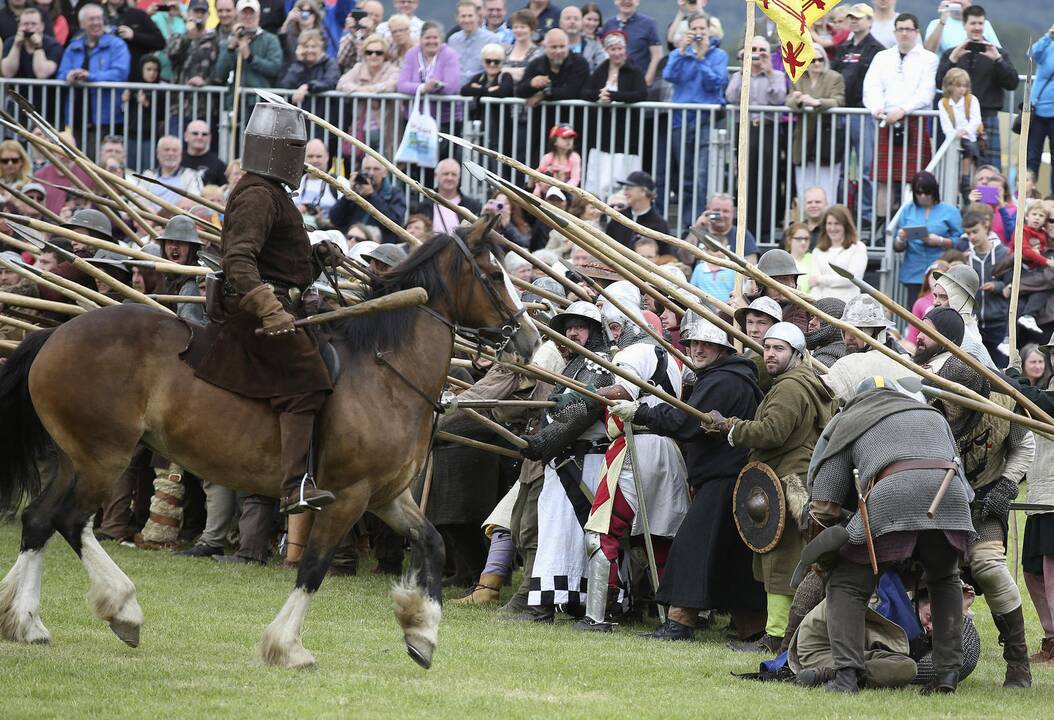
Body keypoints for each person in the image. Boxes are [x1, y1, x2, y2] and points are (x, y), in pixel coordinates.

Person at [187, 102, 335, 515]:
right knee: (307, 381)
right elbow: (238, 260)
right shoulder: (257, 194)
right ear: (277, 151)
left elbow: (278, 261)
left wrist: (317, 258)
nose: (300, 159)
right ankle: (295, 487)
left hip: (273, 304)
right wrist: (269, 307)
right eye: (294, 149)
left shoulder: (269, 191)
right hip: (253, 311)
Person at [806, 378, 976, 693]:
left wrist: (825, 549)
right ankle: (947, 675)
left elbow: (824, 501)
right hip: (949, 496)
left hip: (892, 494)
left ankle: (846, 677)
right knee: (944, 578)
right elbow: (963, 482)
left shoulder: (851, 419)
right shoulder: (931, 415)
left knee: (847, 584)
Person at [611, 313, 765, 642]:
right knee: (730, 558)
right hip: (723, 478)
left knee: (692, 548)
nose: (697, 349)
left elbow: (689, 423)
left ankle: (680, 622)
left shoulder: (724, 381)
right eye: (694, 342)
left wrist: (643, 413)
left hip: (724, 478)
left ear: (722, 346)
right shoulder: (723, 376)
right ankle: (753, 629)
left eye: (707, 343)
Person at [707, 322, 837, 651]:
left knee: (782, 561)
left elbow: (772, 432)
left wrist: (731, 428)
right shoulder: (804, 381)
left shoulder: (791, 386)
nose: (770, 354)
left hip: (788, 480)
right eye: (767, 348)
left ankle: (776, 638)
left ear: (797, 353)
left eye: (779, 348)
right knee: (791, 558)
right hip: (794, 477)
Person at [575, 282, 688, 631]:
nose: (610, 336)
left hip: (634, 448)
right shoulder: (668, 357)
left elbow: (625, 389)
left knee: (601, 532)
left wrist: (584, 395)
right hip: (667, 451)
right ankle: (673, 617)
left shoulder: (631, 354)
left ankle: (597, 615)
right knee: (656, 537)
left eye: (612, 328)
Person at [931, 357, 1035, 688]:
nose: (951, 406)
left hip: (985, 501)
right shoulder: (924, 403)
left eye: (958, 399)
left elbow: (1024, 446)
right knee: (920, 572)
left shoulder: (1004, 402)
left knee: (989, 567)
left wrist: (1006, 485)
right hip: (935, 502)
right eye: (947, 396)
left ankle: (1018, 662)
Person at [516, 301, 615, 622]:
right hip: (565, 462)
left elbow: (580, 413)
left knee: (564, 534)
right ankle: (570, 602)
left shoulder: (598, 366)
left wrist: (543, 443)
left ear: (596, 332)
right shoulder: (574, 365)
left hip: (585, 463)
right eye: (569, 326)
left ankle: (542, 607)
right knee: (558, 532)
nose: (573, 332)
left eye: (581, 326)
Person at [863, 13, 938, 216]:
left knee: (915, 179)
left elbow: (926, 92)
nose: (904, 33)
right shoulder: (882, 57)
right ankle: (881, 226)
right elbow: (871, 86)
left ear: (916, 32)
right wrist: (876, 108)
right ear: (894, 32)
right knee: (883, 179)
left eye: (909, 29)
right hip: (886, 121)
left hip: (914, 120)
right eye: (900, 29)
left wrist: (902, 110)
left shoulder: (929, 59)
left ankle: (911, 223)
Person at [659, 12, 727, 231]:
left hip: (705, 121)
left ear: (709, 31)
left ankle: (700, 222)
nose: (698, 33)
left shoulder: (718, 55)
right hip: (681, 121)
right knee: (685, 177)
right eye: (694, 29)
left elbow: (716, 83)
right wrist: (680, 52)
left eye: (702, 30)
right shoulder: (680, 52)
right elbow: (669, 75)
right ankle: (687, 224)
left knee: (701, 176)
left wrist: (701, 58)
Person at [935, 5, 1018, 167]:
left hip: (987, 118)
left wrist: (998, 61)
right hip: (957, 120)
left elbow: (1012, 83)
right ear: (965, 25)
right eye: (973, 23)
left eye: (980, 23)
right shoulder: (953, 53)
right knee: (955, 171)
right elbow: (939, 83)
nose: (977, 28)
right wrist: (952, 59)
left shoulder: (997, 53)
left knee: (988, 173)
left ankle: (985, 194)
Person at [726, 37, 787, 242]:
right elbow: (731, 97)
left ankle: (765, 230)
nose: (757, 54)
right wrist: (744, 69)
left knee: (768, 180)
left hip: (768, 130)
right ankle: (746, 228)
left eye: (762, 50)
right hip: (745, 130)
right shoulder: (739, 74)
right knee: (744, 179)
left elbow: (778, 98)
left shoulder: (777, 75)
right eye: (753, 49)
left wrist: (768, 71)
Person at [832, 3, 884, 222]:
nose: (854, 21)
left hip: (863, 113)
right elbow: (834, 75)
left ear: (870, 21)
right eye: (851, 17)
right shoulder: (844, 48)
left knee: (865, 167)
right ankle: (842, 211)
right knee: (841, 168)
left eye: (859, 18)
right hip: (842, 111)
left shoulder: (877, 50)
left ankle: (866, 214)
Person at [56, 4, 131, 139]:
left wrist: (90, 76)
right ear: (82, 24)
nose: (96, 23)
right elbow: (61, 73)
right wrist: (69, 76)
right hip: (76, 115)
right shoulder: (73, 46)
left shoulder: (117, 45)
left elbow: (120, 73)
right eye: (91, 19)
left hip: (106, 116)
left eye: (99, 19)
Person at [786, 44, 845, 214]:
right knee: (804, 186)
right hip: (803, 138)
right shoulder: (798, 77)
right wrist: (797, 100)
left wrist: (817, 102)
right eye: (812, 60)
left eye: (820, 59)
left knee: (827, 188)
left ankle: (828, 222)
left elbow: (839, 100)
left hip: (827, 138)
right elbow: (788, 100)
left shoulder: (835, 77)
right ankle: (806, 224)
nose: (816, 63)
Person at [892, 171, 964, 299]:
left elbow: (961, 241)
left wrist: (940, 241)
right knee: (914, 313)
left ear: (934, 191)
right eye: (919, 192)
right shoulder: (907, 210)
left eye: (927, 192)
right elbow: (897, 247)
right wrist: (900, 238)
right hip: (914, 271)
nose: (923, 196)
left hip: (941, 270)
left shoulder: (950, 211)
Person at [960, 202, 1011, 366]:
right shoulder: (966, 258)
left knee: (1001, 372)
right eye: (968, 234)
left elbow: (1013, 287)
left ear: (986, 226)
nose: (972, 237)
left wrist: (996, 287)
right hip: (975, 325)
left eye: (975, 232)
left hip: (1000, 324)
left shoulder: (1004, 254)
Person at [215, 0, 283, 117]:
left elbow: (275, 68)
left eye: (251, 13)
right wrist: (231, 48)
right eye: (244, 14)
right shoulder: (230, 42)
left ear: (258, 16)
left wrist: (250, 58)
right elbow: (219, 74)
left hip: (261, 104)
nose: (248, 17)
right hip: (235, 103)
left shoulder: (270, 40)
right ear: (237, 16)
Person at [337, 33, 399, 159]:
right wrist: (361, 90)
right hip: (360, 128)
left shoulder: (392, 69)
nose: (373, 56)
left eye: (378, 52)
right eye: (369, 52)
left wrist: (371, 89)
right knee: (357, 167)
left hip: (384, 130)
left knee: (382, 165)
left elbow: (392, 84)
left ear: (385, 54)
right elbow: (342, 83)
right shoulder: (359, 68)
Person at [328, 154, 406, 242]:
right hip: (352, 241)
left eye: (376, 169)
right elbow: (335, 219)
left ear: (385, 173)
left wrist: (371, 195)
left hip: (379, 246)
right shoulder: (356, 192)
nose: (371, 173)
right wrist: (348, 195)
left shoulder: (394, 193)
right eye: (367, 169)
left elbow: (396, 224)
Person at [395, 22, 461, 127]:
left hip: (445, 119)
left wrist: (435, 87)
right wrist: (423, 88)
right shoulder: (412, 53)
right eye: (427, 38)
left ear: (441, 39)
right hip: (415, 119)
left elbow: (451, 87)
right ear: (421, 39)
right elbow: (401, 85)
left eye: (435, 37)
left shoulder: (449, 54)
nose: (431, 41)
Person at [516, 28, 589, 107]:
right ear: (545, 47)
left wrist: (544, 94)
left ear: (568, 46)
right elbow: (518, 92)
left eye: (562, 47)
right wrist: (531, 84)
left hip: (572, 116)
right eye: (553, 47)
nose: (558, 51)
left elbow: (572, 92)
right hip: (542, 117)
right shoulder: (536, 63)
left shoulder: (579, 62)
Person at [809, 204, 867, 302]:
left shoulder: (858, 247)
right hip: (821, 306)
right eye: (829, 223)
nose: (832, 228)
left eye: (837, 223)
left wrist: (821, 279)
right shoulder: (817, 251)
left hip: (847, 306)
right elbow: (814, 282)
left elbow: (852, 279)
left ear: (846, 225)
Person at [408, 158, 481, 235]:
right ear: (436, 176)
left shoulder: (473, 206)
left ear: (459, 177)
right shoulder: (424, 206)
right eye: (446, 174)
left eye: (454, 174)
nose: (450, 178)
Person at [937, 68, 984, 186]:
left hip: (972, 138)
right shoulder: (943, 103)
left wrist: (965, 131)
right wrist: (954, 134)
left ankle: (966, 180)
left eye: (964, 86)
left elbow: (976, 120)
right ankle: (961, 181)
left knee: (969, 148)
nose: (962, 89)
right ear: (949, 86)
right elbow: (946, 126)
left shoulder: (971, 100)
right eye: (958, 86)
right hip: (953, 140)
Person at [100, 0, 166, 82]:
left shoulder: (137, 14)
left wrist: (134, 36)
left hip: (134, 80)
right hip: (102, 78)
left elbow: (160, 42)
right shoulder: (96, 15)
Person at [605, 171, 670, 252]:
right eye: (624, 188)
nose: (625, 192)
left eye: (629, 188)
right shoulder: (618, 218)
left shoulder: (659, 224)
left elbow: (665, 256)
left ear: (643, 191)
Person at [599, 0, 660, 86]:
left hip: (638, 84)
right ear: (616, 1)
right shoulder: (608, 25)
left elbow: (656, 56)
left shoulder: (649, 24)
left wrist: (646, 82)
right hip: (612, 85)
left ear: (637, 1)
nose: (627, 1)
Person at [137, 135, 204, 209]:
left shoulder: (191, 175)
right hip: (149, 218)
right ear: (157, 153)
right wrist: (146, 209)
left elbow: (196, 199)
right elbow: (136, 198)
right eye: (166, 150)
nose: (170, 153)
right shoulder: (148, 175)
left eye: (174, 150)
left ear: (180, 154)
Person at [168, 0, 225, 86]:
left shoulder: (215, 39)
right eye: (196, 11)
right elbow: (172, 55)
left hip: (205, 94)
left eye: (203, 12)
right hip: (180, 93)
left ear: (208, 15)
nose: (199, 15)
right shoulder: (177, 37)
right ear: (188, 13)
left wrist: (206, 82)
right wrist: (188, 37)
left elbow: (220, 69)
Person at [279, 28, 340, 105]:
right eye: (306, 46)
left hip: (324, 112)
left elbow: (330, 82)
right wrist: (299, 63)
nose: (309, 50)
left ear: (321, 47)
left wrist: (308, 86)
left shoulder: (330, 63)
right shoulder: (298, 65)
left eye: (313, 46)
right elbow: (286, 85)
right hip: (301, 113)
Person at [1027, 27, 1054, 197]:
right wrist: (1048, 36)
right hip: (1038, 112)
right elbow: (1031, 54)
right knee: (1032, 157)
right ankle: (1028, 194)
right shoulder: (1048, 46)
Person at [0, 8, 61, 80]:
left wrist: (38, 47)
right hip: (16, 90)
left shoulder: (53, 45)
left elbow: (41, 74)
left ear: (42, 26)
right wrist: (16, 46)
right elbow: (8, 73)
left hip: (44, 91)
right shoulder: (10, 42)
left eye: (33, 24)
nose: (29, 27)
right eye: (25, 24)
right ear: (19, 26)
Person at [923, 0, 1001, 56]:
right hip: (947, 75)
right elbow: (928, 54)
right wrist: (942, 21)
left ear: (969, 2)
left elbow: (998, 53)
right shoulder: (936, 24)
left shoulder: (983, 24)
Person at [906, 260, 950, 349]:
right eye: (933, 277)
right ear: (927, 279)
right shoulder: (920, 302)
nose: (937, 281)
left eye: (941, 277)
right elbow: (913, 334)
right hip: (924, 348)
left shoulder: (953, 301)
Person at [533, 124, 580, 196]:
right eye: (564, 138)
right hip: (546, 193)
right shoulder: (547, 158)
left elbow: (575, 179)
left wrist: (561, 190)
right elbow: (538, 177)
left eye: (571, 138)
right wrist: (537, 190)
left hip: (566, 194)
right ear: (554, 141)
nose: (569, 141)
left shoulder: (575, 157)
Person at [277, 0, 324, 69]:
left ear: (315, 15)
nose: (305, 15)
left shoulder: (321, 34)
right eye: (301, 11)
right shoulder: (290, 32)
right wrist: (288, 20)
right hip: (291, 72)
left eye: (309, 12)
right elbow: (281, 38)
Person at [181, 121, 227, 187]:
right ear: (186, 136)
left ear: (210, 138)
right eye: (195, 133)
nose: (200, 137)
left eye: (204, 134)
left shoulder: (219, 165)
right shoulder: (177, 160)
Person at [560, 5, 605, 72]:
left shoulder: (595, 47)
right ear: (560, 23)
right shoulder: (550, 45)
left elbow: (602, 72)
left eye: (576, 19)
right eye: (568, 18)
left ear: (581, 23)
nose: (572, 22)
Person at [805, 297, 848, 367]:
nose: (811, 322)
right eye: (812, 317)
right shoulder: (823, 349)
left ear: (836, 322)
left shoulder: (827, 358)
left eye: (820, 318)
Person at [503, 10, 541, 83]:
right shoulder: (506, 51)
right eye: (515, 27)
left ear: (532, 29)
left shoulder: (538, 53)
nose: (518, 30)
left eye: (523, 27)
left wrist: (504, 71)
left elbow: (529, 74)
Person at [784, 222, 813, 293]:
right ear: (789, 240)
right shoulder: (782, 260)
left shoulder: (815, 259)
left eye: (806, 239)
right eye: (799, 238)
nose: (803, 242)